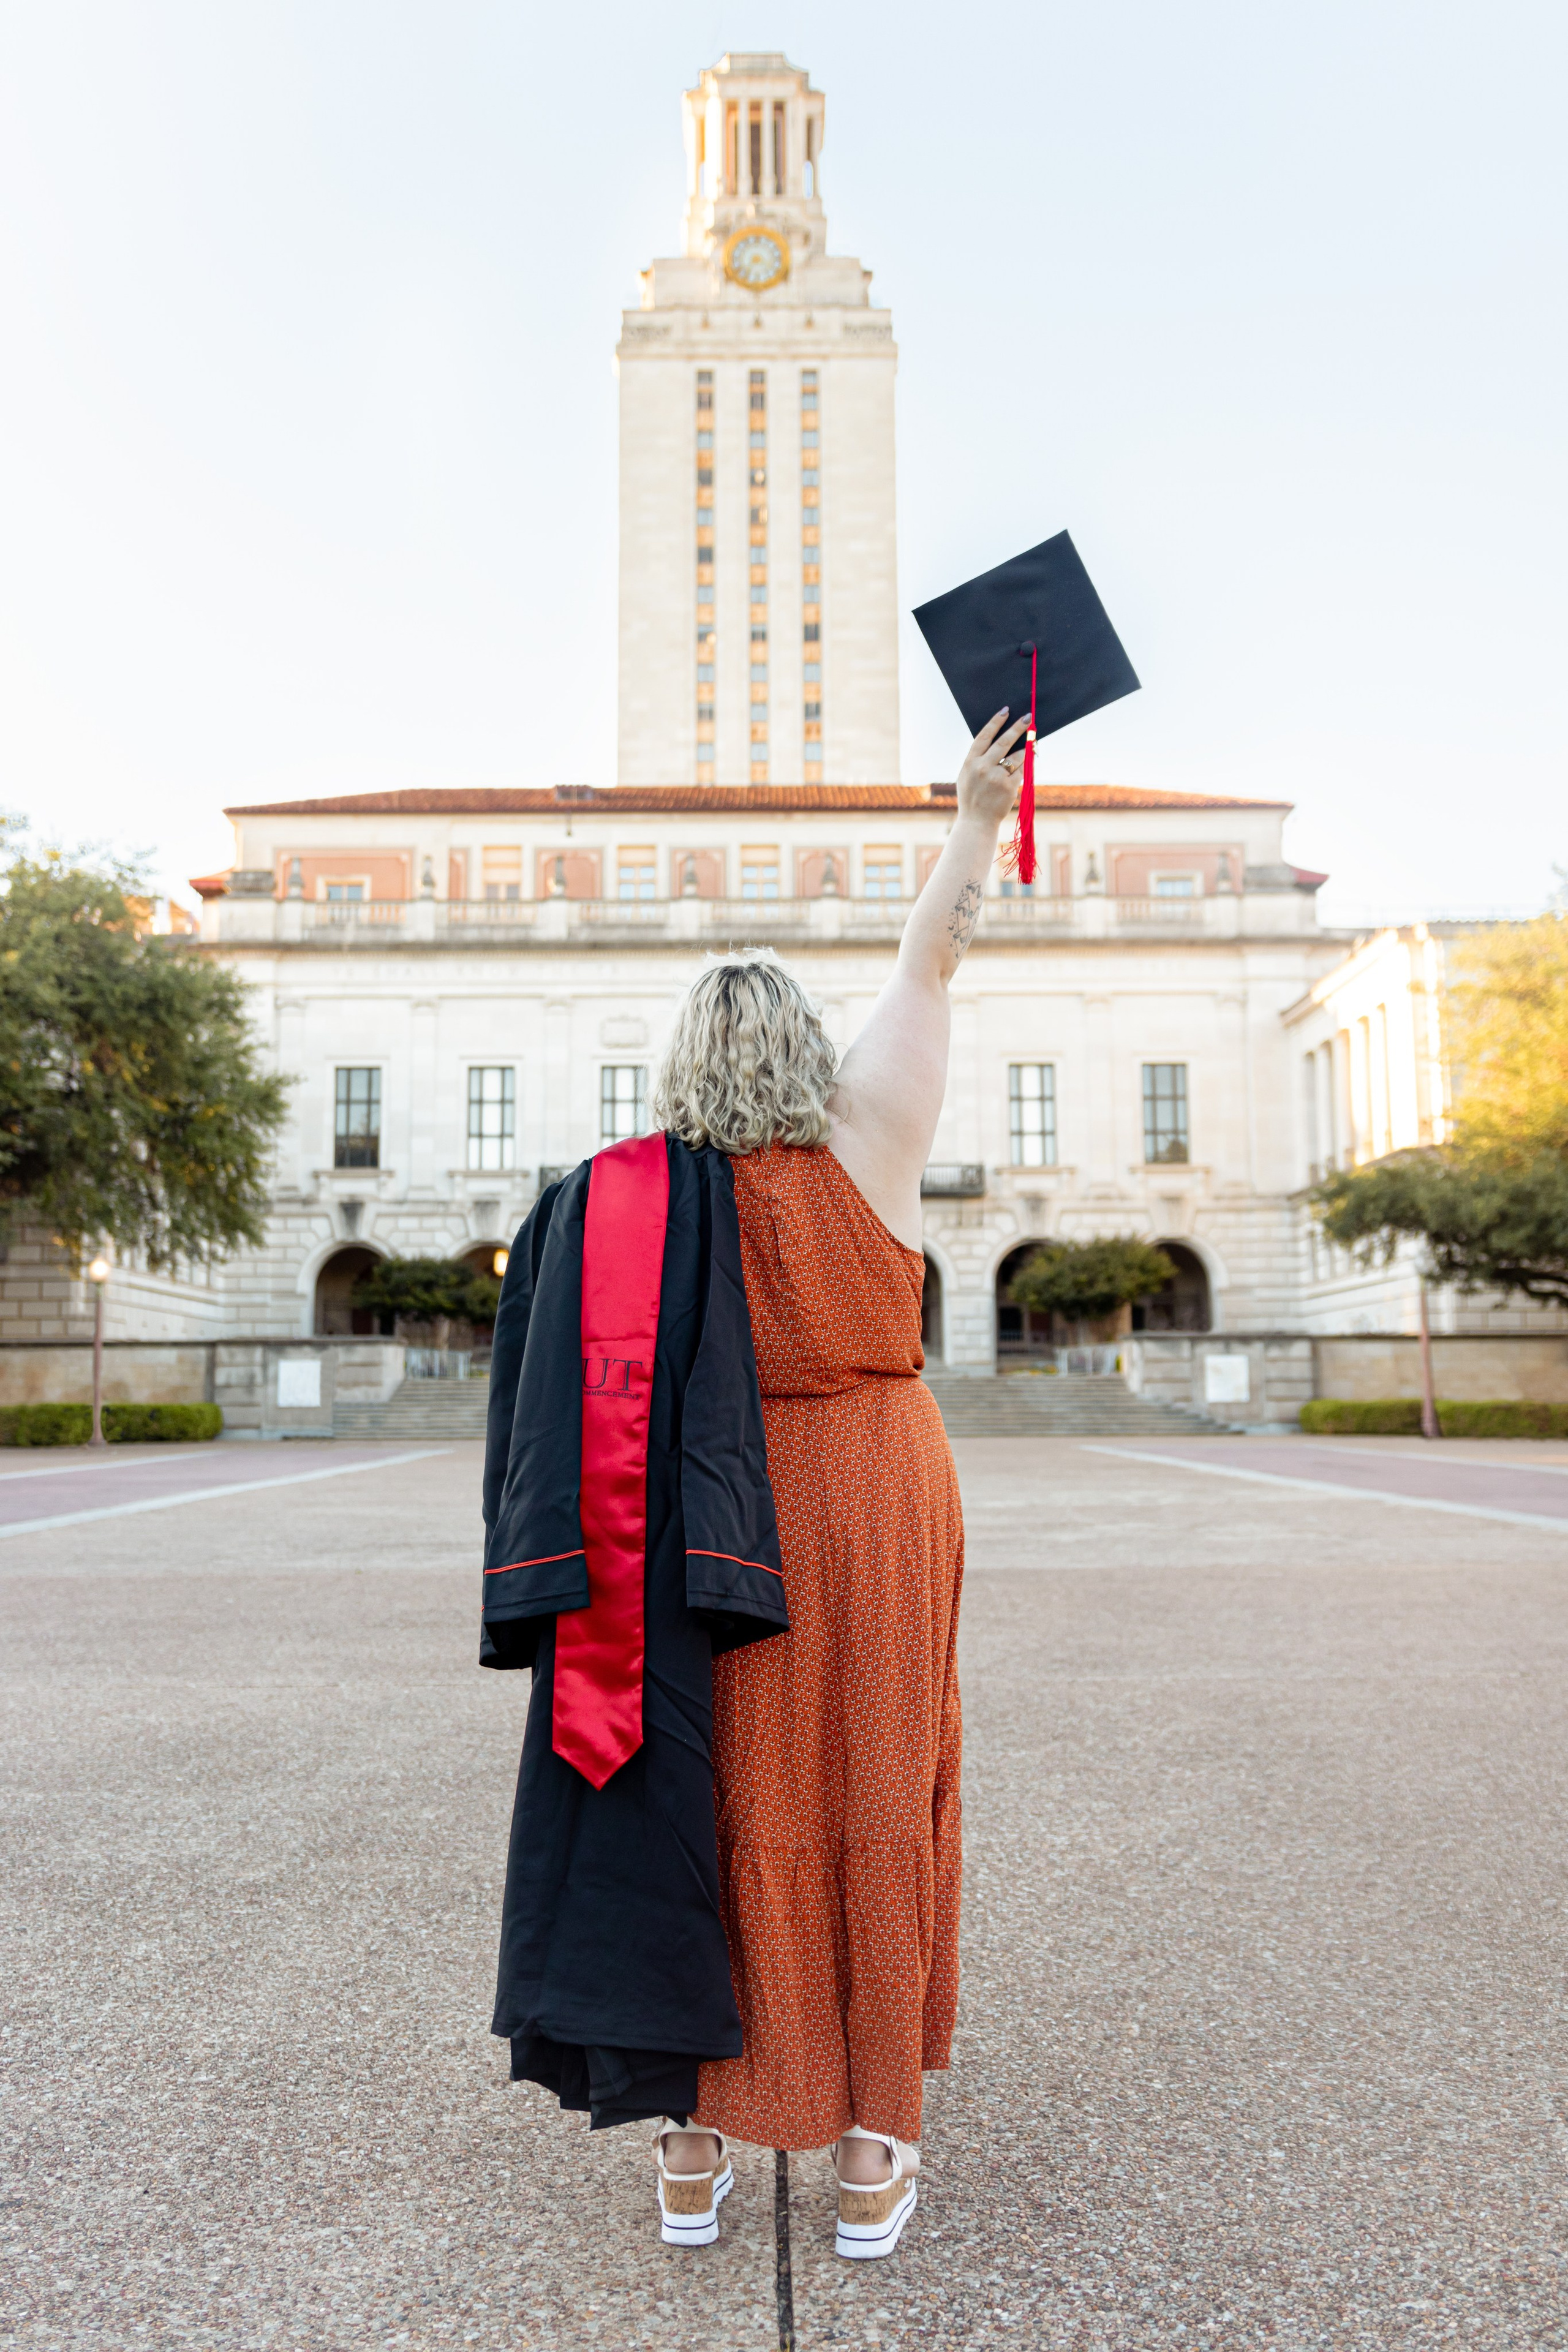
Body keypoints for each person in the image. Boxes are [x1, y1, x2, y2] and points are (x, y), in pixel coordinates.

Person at [650, 707, 1027, 2259]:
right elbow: (928, 958)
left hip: (722, 1498)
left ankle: (689, 2149)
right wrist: (968, 816)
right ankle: (873, 2153)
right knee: (879, 1775)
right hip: (876, 1479)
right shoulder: (872, 1123)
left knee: (719, 1789)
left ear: (681, 1064)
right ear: (804, 1050)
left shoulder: (651, 1187)